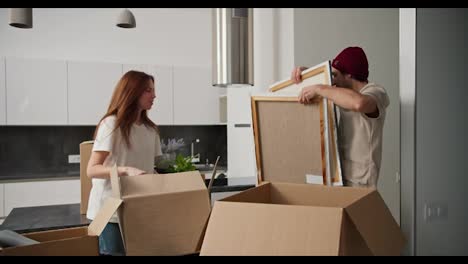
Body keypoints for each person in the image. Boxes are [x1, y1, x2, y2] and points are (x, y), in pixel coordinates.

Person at [86, 70, 163, 255]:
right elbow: (92, 170)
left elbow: (148, 169)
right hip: (108, 211)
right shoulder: (111, 124)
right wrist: (125, 170)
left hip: (138, 209)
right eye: (148, 90)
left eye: (153, 90)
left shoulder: (150, 130)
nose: (154, 95)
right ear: (132, 92)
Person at [291, 46, 389, 188]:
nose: (332, 80)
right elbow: (331, 89)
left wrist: (319, 88)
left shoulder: (376, 92)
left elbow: (358, 103)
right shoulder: (342, 92)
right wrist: (304, 72)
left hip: (361, 182)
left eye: (335, 75)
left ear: (349, 75)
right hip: (340, 177)